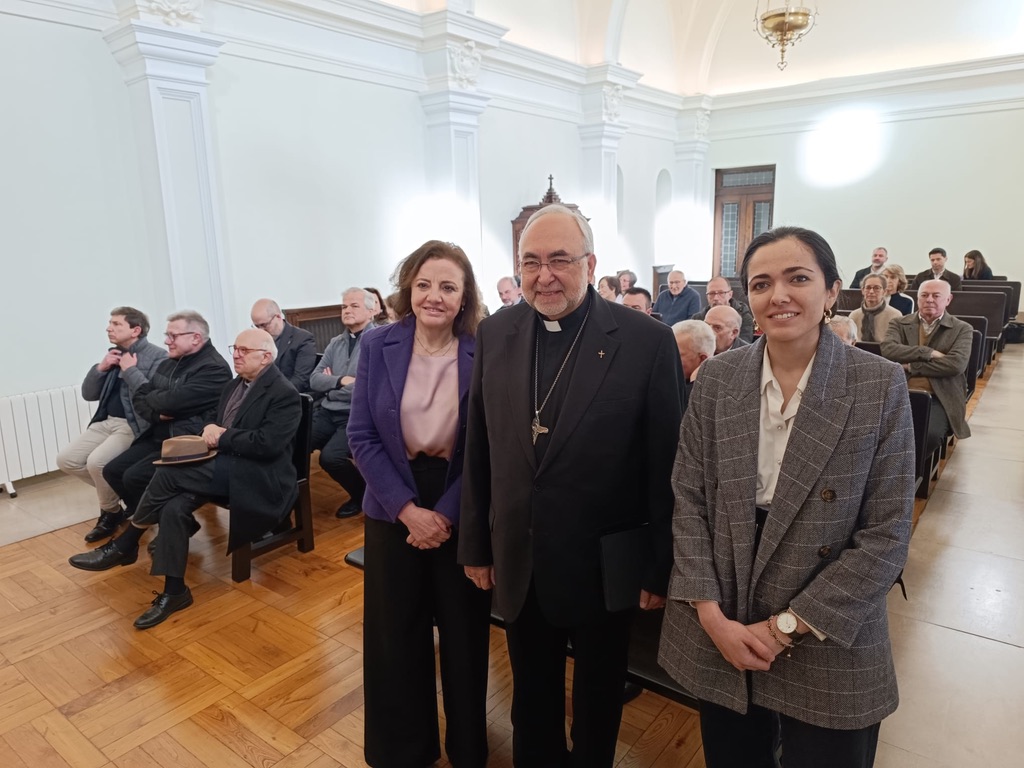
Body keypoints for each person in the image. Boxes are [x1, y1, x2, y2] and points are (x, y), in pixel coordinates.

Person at [659, 226, 915, 768]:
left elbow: (887, 533)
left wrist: (787, 627)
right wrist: (710, 615)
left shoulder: (878, 384)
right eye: (761, 284)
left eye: (798, 278)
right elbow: (689, 499)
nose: (778, 295)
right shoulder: (717, 378)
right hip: (726, 604)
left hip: (826, 617)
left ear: (831, 291)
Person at [459, 204, 682, 768]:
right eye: (531, 262)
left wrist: (658, 566)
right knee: (531, 699)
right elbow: (479, 446)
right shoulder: (496, 332)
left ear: (591, 263)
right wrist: (476, 544)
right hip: (520, 554)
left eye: (560, 260)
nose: (544, 276)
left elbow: (666, 464)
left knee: (598, 701)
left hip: (604, 563)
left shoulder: (646, 340)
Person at [349, 240, 491, 768]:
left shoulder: (483, 348)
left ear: (464, 296)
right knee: (395, 634)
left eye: (448, 287)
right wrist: (408, 510)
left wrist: (446, 514)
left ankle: (467, 748)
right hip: (393, 501)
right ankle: (402, 750)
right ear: (408, 288)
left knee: (464, 633)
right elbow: (361, 435)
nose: (435, 296)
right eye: (424, 284)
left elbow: (488, 446)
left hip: (462, 498)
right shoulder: (377, 344)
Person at [68, 329, 301, 629]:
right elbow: (216, 420)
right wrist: (212, 428)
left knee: (168, 471)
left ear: (266, 357)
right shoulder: (235, 384)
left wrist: (222, 436)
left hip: (257, 473)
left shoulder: (283, 393)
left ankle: (127, 541)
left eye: (244, 350)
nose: (236, 355)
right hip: (224, 463)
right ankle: (175, 590)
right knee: (173, 505)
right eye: (235, 348)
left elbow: (268, 445)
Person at [100, 310, 232, 529]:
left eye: (173, 336)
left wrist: (158, 400)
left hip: (185, 441)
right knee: (112, 471)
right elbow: (141, 399)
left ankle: (170, 522)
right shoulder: (171, 361)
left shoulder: (213, 368)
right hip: (160, 433)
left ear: (195, 338)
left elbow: (168, 402)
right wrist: (157, 411)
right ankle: (176, 522)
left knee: (133, 477)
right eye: (166, 335)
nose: (167, 341)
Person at [57, 307, 167, 542]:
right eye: (110, 323)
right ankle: (123, 502)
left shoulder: (158, 357)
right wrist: (100, 368)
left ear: (136, 330)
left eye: (116, 324)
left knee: (97, 463)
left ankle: (109, 513)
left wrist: (130, 370)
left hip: (133, 425)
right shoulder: (113, 355)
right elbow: (89, 394)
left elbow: (154, 398)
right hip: (105, 421)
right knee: (66, 460)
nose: (109, 328)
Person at [309, 288, 376, 518]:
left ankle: (362, 495)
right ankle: (288, 499)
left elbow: (369, 387)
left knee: (331, 458)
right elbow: (314, 379)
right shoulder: (335, 342)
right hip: (328, 411)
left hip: (356, 415)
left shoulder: (378, 341)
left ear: (371, 311)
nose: (347, 310)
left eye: (354, 306)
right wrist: (341, 381)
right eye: (344, 306)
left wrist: (332, 385)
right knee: (294, 445)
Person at [881, 279, 973, 445]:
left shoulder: (962, 328)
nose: (929, 300)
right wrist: (928, 352)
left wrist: (911, 366)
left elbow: (956, 364)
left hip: (940, 395)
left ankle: (914, 462)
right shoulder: (899, 323)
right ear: (918, 298)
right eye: (924, 295)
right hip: (900, 390)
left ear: (948, 299)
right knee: (878, 431)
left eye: (936, 296)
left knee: (928, 435)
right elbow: (889, 350)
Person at [250, 298, 316, 392]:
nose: (261, 330)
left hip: (287, 394)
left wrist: (272, 395)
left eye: (264, 325)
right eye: (257, 326)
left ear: (278, 317)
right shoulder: (257, 340)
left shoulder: (302, 339)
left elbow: (300, 380)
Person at [691, 276, 755, 343]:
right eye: (711, 293)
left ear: (730, 294)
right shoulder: (697, 319)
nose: (716, 298)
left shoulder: (744, 317)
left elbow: (744, 345)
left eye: (721, 293)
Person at [849, 273, 901, 343]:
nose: (871, 291)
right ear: (862, 291)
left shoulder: (895, 315)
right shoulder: (854, 315)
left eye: (876, 288)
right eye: (868, 288)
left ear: (884, 291)